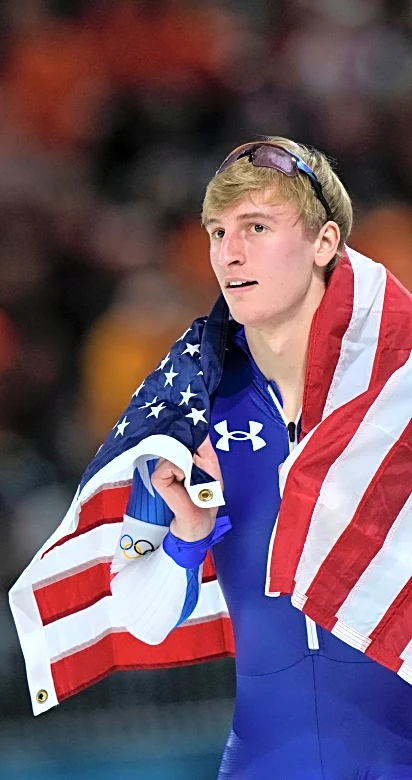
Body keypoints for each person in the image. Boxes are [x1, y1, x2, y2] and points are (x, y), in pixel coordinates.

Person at [109, 137, 412, 778]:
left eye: (256, 226)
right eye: (218, 231)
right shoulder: (190, 402)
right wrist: (188, 539)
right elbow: (137, 618)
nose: (229, 253)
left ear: (325, 243)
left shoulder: (400, 390)